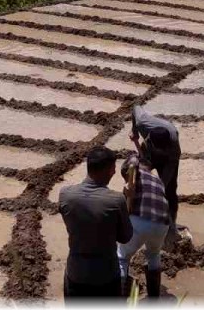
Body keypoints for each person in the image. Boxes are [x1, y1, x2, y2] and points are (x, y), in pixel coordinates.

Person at [58, 146, 134, 301]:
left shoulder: (65, 194)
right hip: (105, 276)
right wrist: (128, 200)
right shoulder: (116, 200)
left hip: (76, 272)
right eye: (113, 168)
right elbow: (125, 237)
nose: (114, 172)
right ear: (106, 170)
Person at [117, 149, 169, 298]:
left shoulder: (135, 172)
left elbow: (132, 162)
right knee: (153, 254)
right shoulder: (158, 181)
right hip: (162, 224)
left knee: (122, 257)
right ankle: (153, 298)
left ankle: (119, 298)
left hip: (140, 219)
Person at [130, 106, 182, 247]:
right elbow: (135, 108)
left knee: (170, 191)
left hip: (168, 160)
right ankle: (139, 218)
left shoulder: (173, 148)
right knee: (137, 179)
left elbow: (167, 176)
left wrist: (159, 188)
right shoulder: (142, 123)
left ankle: (171, 227)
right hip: (149, 151)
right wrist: (134, 132)